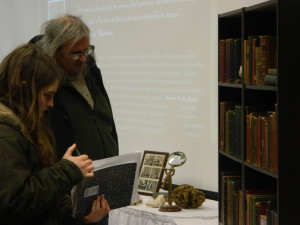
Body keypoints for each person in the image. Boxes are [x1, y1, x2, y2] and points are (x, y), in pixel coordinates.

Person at [0, 44, 110, 225]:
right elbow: (12, 204)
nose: (50, 104)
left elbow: (42, 200)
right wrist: (67, 170)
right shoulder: (5, 135)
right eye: (47, 95)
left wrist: (79, 213)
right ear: (24, 88)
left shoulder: (23, 125)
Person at [35, 14, 119, 162]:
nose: (83, 59)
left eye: (86, 51)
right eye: (75, 53)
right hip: (72, 176)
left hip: (105, 168)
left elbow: (105, 122)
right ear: (54, 51)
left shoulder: (90, 70)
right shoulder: (42, 85)